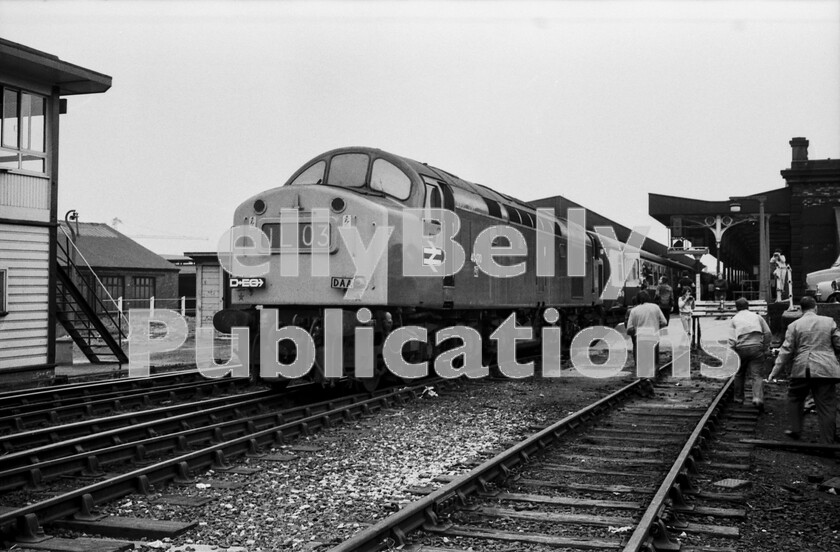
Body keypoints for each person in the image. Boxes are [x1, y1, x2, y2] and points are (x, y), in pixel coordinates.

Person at [767, 296, 840, 443]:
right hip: (826, 369)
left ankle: (795, 429)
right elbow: (838, 344)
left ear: (801, 309)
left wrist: (774, 372)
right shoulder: (829, 322)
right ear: (815, 308)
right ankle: (827, 442)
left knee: (795, 397)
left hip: (801, 368)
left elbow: (786, 351)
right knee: (826, 406)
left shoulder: (794, 325)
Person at [728, 298, 772, 411]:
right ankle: (757, 398)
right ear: (748, 306)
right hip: (757, 348)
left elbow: (732, 340)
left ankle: (738, 398)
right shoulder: (757, 317)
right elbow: (767, 332)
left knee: (739, 373)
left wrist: (731, 352)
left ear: (736, 307)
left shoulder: (734, 319)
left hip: (741, 349)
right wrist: (764, 347)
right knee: (757, 375)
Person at [626, 290, 668, 367]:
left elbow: (629, 328)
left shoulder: (634, 310)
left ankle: (643, 377)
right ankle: (653, 377)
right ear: (648, 298)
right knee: (654, 361)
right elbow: (664, 322)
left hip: (640, 338)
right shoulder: (655, 307)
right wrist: (656, 326)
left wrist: (636, 330)